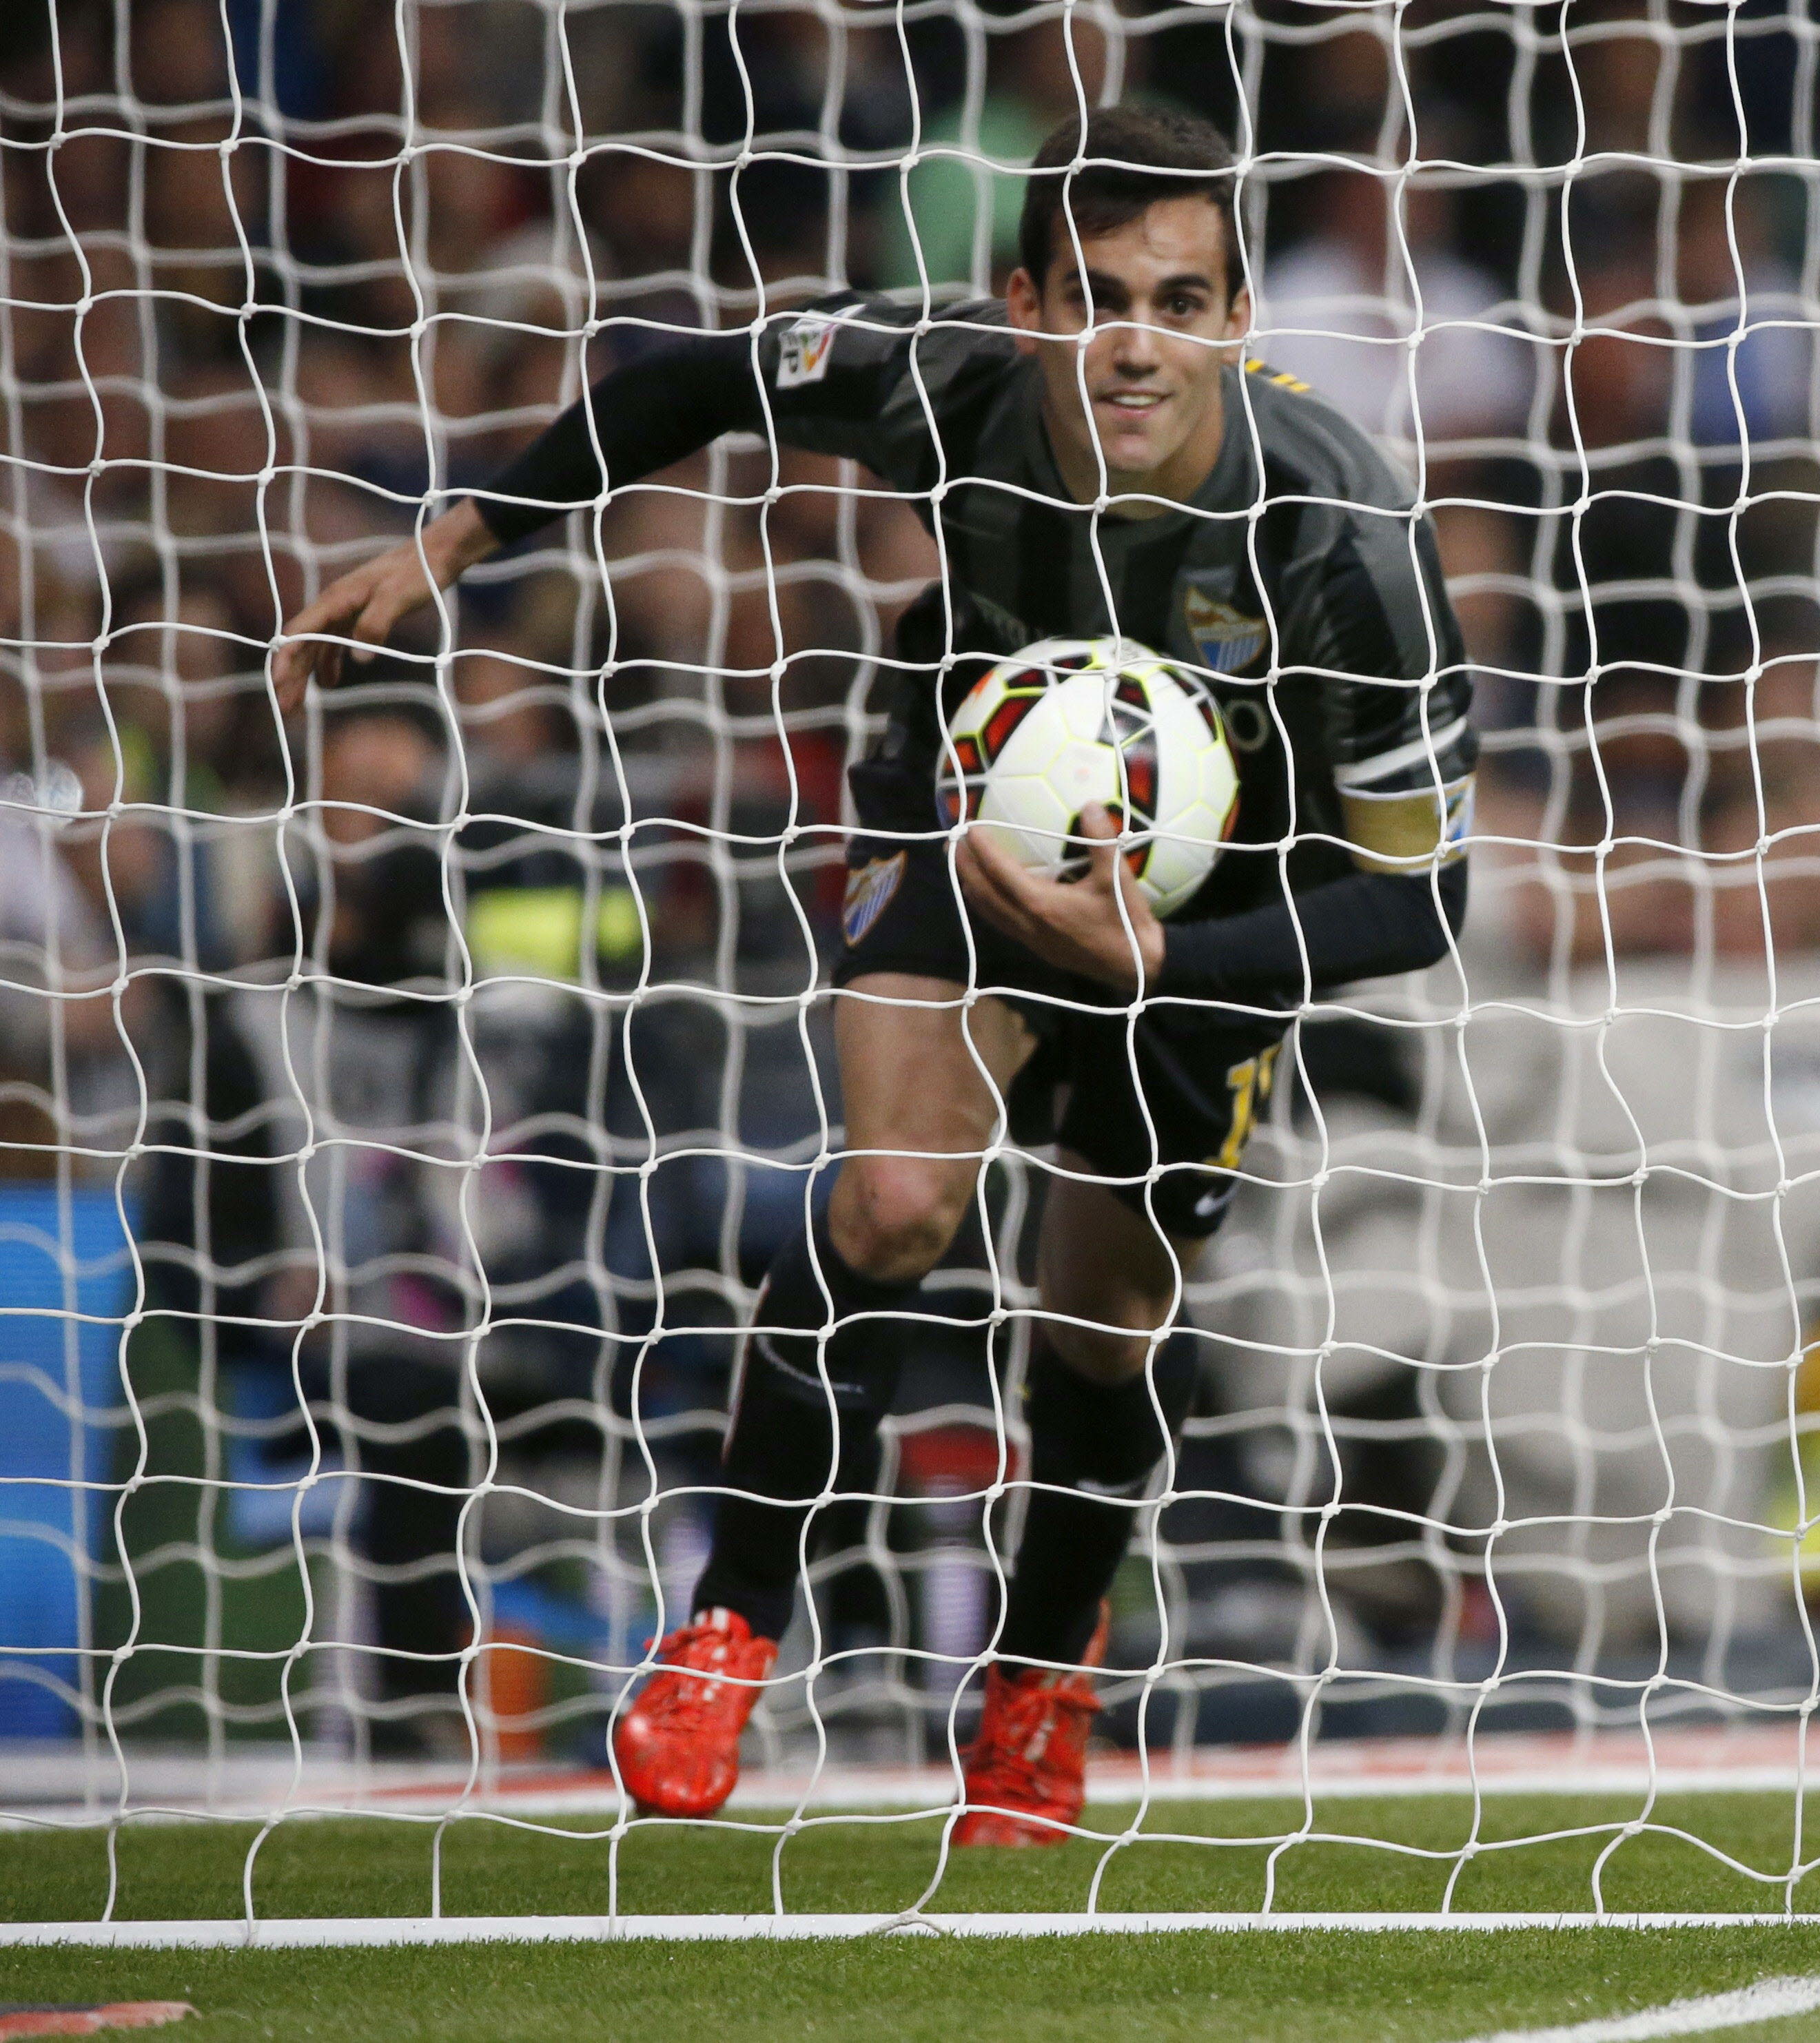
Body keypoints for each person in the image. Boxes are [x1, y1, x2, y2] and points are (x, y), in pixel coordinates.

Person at [273, 101, 1475, 1842]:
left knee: (1102, 1318)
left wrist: (1160, 952)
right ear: (1027, 299)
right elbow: (690, 379)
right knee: (897, 1201)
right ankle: (728, 1627)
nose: (1137, 339)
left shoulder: (1339, 534)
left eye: (1183, 298)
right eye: (1096, 294)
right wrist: (461, 538)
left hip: (1212, 904)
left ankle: (1037, 1683)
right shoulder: (943, 375)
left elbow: (1421, 902)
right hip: (962, 808)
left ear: (1234, 319)